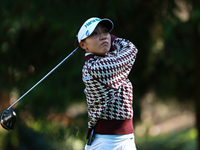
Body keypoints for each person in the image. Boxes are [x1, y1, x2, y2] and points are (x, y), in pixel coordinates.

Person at [76, 17, 138, 150]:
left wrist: (107, 39)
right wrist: (111, 39)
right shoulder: (96, 67)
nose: (103, 36)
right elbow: (131, 49)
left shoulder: (106, 58)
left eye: (105, 31)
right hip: (108, 143)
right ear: (83, 45)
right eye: (94, 34)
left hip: (122, 139)